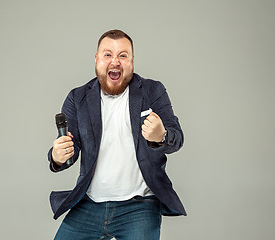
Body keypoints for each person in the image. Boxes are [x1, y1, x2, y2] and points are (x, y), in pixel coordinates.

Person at [48, 29, 186, 240]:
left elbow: (177, 138)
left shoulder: (153, 91)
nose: (115, 61)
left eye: (123, 55)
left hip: (139, 207)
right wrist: (58, 158)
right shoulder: (78, 98)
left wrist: (162, 136)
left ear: (132, 61)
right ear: (96, 59)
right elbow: (69, 152)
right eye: (108, 54)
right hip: (89, 204)